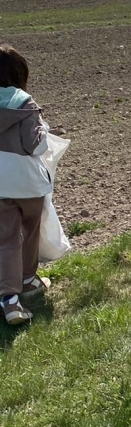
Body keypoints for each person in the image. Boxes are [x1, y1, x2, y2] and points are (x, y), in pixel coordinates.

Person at [0, 45, 52, 326]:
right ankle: (28, 281)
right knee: (29, 231)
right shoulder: (24, 102)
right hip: (27, 183)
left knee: (5, 240)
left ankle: (9, 301)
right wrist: (43, 127)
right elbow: (36, 145)